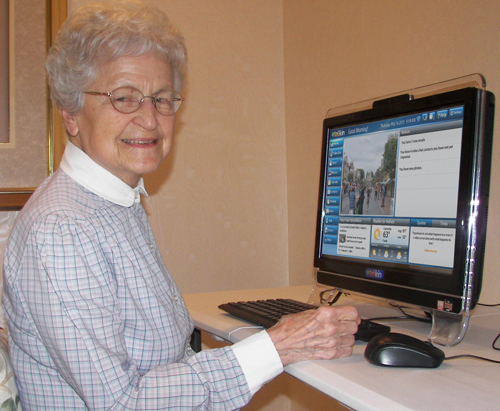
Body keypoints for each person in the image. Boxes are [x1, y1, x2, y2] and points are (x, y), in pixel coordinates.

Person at [2, 1, 360, 410]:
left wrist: (271, 343)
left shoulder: (116, 203)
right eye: (124, 98)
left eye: (162, 98)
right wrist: (277, 346)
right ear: (70, 115)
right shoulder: (61, 230)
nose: (150, 119)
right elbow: (122, 403)